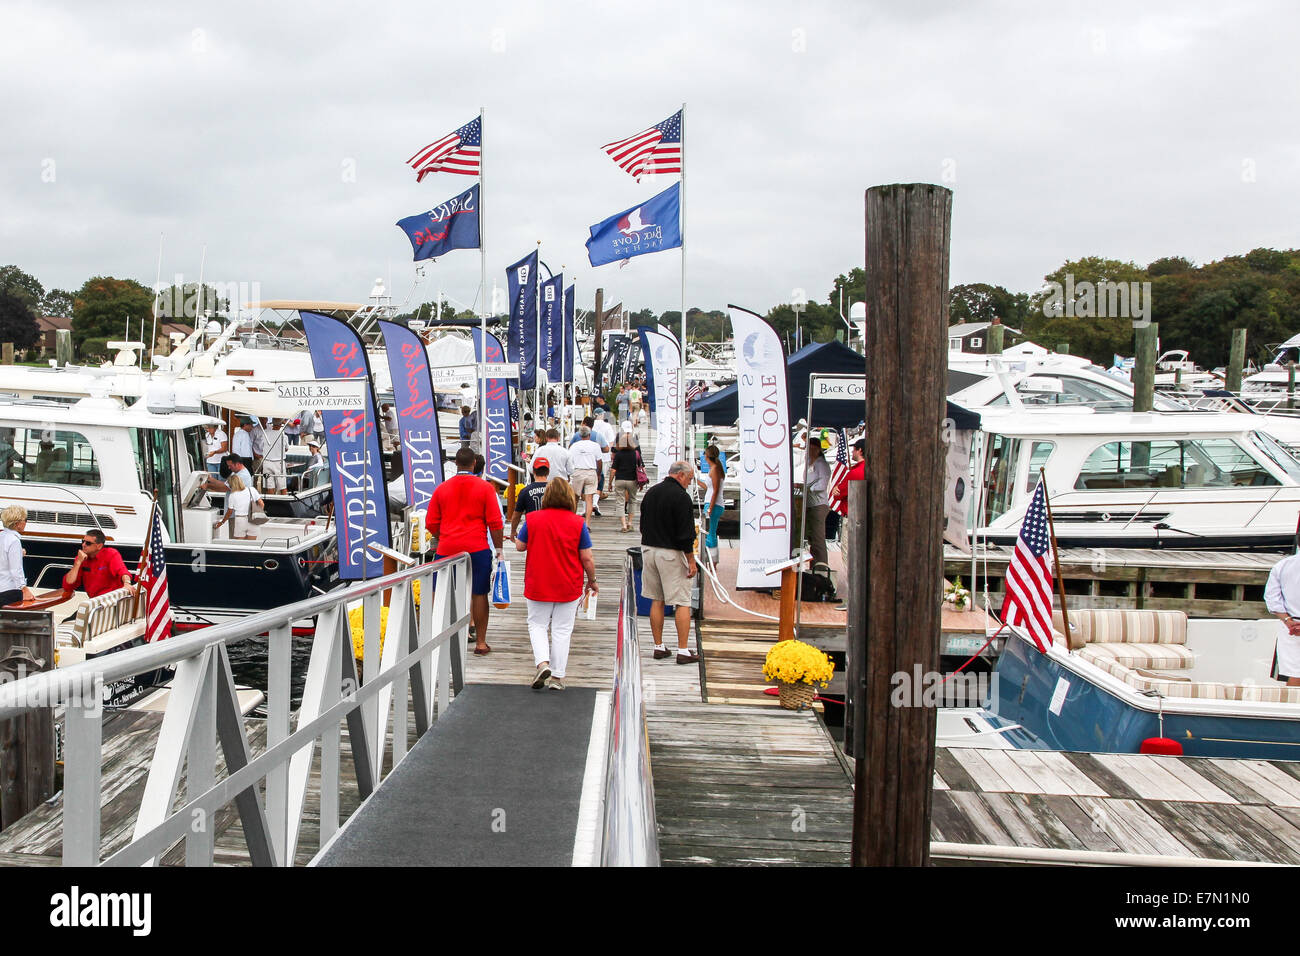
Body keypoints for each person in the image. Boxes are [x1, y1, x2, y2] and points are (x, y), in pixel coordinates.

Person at [515, 477, 598, 691]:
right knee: (562, 629)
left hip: (538, 581)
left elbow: (520, 547)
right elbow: (587, 557)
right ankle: (558, 677)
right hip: (568, 582)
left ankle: (543, 663)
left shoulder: (532, 519)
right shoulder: (578, 523)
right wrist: (592, 580)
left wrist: (515, 539)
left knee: (537, 624)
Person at [425, 447, 505, 656]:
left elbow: (431, 522)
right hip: (477, 547)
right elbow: (495, 523)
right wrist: (499, 549)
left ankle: (438, 640)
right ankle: (480, 642)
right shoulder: (485, 488)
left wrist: (444, 535)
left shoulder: (442, 488)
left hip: (448, 547)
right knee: (479, 593)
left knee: (441, 592)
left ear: (455, 463)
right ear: (473, 464)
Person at [639, 461, 699, 663]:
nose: (689, 484)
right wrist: (691, 561)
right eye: (689, 479)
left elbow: (642, 524)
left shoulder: (651, 492)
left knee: (657, 599)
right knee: (682, 601)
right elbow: (686, 534)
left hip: (648, 550)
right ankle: (683, 650)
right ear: (681, 475)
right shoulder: (682, 498)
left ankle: (658, 646)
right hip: (671, 553)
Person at [835, 438, 866, 607]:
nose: (852, 453)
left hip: (851, 518)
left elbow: (838, 493)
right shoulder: (869, 470)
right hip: (863, 518)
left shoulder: (855, 472)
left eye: (854, 450)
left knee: (849, 558)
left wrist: (837, 491)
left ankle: (853, 599)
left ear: (860, 450)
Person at [64, 528, 134, 597]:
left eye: (88, 543)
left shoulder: (111, 554)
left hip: (112, 600)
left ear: (99, 546)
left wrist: (127, 583)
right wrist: (78, 562)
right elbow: (68, 585)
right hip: (95, 602)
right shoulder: (81, 558)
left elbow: (122, 571)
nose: (83, 545)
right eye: (83, 541)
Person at [1266, 549, 1300, 686]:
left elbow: (1272, 599)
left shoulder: (1281, 566)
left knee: (1296, 674)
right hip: (1291, 626)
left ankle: (1292, 707)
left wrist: (1288, 621)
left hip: (1290, 626)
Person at [804, 435, 831, 569]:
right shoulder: (809, 462)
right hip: (809, 503)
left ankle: (821, 567)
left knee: (818, 538)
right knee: (812, 538)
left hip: (819, 504)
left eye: (813, 448)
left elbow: (822, 484)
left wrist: (808, 487)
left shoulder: (821, 464)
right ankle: (814, 565)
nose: (810, 451)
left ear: (818, 449)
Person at [0, 506, 33, 606]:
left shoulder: (2, 536)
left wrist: (19, 553)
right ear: (17, 524)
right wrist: (24, 589)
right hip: (9, 591)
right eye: (25, 520)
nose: (26, 522)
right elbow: (16, 570)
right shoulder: (14, 541)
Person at [611, 425, 642, 533]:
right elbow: (641, 467)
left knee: (620, 502)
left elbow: (613, 470)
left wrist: (610, 482)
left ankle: (623, 525)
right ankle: (630, 523)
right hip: (632, 479)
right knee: (633, 501)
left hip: (620, 479)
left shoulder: (618, 454)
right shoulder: (636, 454)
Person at [569, 426, 604, 518]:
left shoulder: (574, 446)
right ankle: (587, 523)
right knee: (589, 499)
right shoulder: (595, 445)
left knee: (575, 498)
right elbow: (599, 462)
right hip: (591, 472)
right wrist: (598, 474)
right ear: (589, 434)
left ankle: (572, 520)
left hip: (578, 472)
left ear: (580, 435)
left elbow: (569, 461)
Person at [511, 457, 550, 539]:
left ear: (533, 471)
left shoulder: (525, 491)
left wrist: (513, 531)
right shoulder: (556, 489)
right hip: (551, 529)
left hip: (532, 530)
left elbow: (517, 514)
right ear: (548, 472)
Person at [217, 471, 263, 540]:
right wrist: (257, 514)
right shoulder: (252, 489)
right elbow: (261, 504)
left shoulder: (232, 495)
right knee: (251, 544)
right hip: (253, 519)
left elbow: (229, 512)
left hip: (240, 520)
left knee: (239, 545)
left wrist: (222, 522)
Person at [701, 444, 725, 555]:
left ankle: (713, 559)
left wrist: (710, 508)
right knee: (711, 532)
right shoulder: (714, 469)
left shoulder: (715, 469)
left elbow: (715, 490)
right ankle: (712, 558)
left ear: (707, 456)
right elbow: (708, 487)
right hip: (713, 503)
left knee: (710, 533)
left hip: (713, 504)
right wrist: (696, 481)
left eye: (704, 454)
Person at [261, 418, 288, 493]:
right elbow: (286, 448)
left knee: (270, 486)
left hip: (267, 462)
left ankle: (271, 503)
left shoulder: (265, 433)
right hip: (279, 463)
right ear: (280, 424)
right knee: (283, 486)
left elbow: (261, 447)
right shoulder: (283, 434)